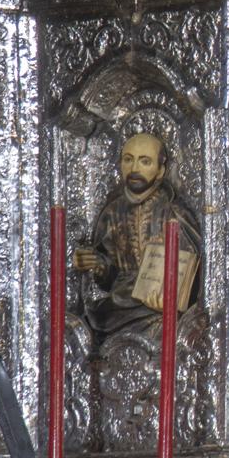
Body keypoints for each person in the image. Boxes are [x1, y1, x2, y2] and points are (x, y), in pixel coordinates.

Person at [72, 132, 203, 340]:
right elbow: (108, 277)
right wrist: (96, 263)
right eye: (128, 160)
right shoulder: (112, 212)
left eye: (145, 161)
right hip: (117, 307)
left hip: (159, 310)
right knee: (81, 329)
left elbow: (196, 274)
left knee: (163, 329)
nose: (135, 169)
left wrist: (173, 292)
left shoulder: (175, 213)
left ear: (161, 170)